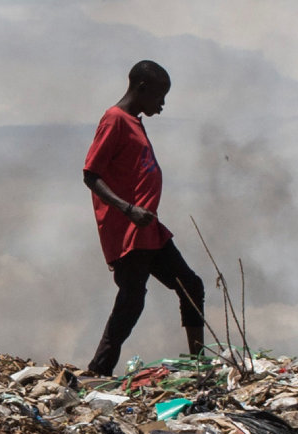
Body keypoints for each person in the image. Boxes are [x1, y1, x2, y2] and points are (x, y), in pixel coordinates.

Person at [81, 60, 207, 377]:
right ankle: (98, 370)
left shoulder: (134, 122)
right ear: (142, 88)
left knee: (190, 285)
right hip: (128, 230)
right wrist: (128, 208)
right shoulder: (114, 120)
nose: (162, 105)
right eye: (159, 97)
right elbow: (91, 174)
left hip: (148, 229)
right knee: (132, 298)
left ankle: (199, 364)